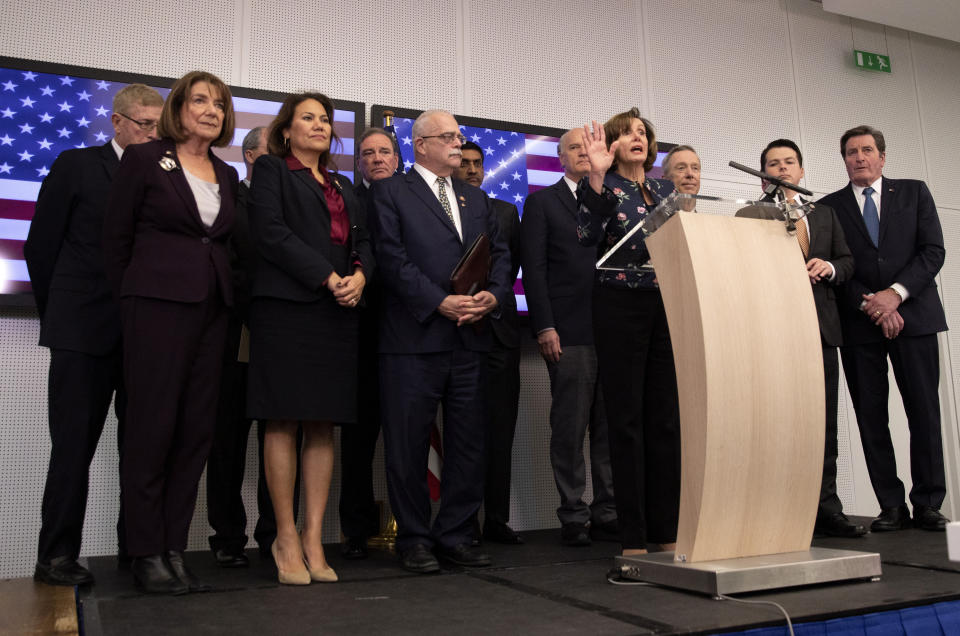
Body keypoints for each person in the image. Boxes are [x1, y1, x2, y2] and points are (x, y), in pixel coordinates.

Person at [103, 71, 238, 595]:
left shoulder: (226, 174)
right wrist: (136, 299)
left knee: (194, 433)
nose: (211, 109)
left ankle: (173, 547)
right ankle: (144, 551)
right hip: (155, 310)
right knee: (151, 428)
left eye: (220, 104)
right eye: (200, 100)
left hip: (212, 314)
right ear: (177, 108)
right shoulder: (143, 160)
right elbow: (115, 241)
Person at [25, 84, 163, 587]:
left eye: (158, 126)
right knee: (72, 449)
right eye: (144, 124)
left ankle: (138, 552)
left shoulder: (165, 178)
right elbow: (40, 247)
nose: (152, 134)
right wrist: (59, 314)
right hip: (81, 330)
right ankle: (56, 556)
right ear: (118, 122)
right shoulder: (76, 166)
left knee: (143, 450)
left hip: (144, 335)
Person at [370, 109, 511, 574]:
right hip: (413, 338)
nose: (458, 143)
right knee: (408, 445)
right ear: (422, 145)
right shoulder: (391, 192)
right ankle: (413, 538)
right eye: (447, 136)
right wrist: (438, 302)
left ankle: (455, 534)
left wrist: (494, 294)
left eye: (458, 135)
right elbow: (390, 258)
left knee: (468, 443)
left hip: (470, 337)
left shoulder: (477, 199)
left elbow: (502, 254)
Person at [247, 92, 373, 585]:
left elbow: (364, 242)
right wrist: (326, 276)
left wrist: (359, 276)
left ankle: (315, 537)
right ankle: (284, 536)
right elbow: (271, 233)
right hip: (287, 309)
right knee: (283, 421)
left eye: (325, 119)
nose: (319, 125)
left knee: (323, 426)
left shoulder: (344, 183)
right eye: (308, 118)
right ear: (286, 130)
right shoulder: (273, 171)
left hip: (338, 311)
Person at [820, 125, 949, 532]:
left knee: (924, 412)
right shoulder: (829, 208)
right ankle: (891, 505)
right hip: (860, 324)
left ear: (882, 157)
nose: (859, 157)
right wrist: (872, 304)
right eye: (851, 152)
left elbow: (933, 251)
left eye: (867, 150)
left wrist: (894, 294)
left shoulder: (913, 192)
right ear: (844, 159)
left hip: (916, 318)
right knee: (871, 417)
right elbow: (836, 267)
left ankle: (928, 502)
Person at [739, 139, 863, 537]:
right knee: (779, 422)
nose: (782, 169)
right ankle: (781, 511)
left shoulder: (824, 214)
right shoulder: (751, 215)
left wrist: (827, 266)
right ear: (762, 177)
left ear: (802, 170)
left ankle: (827, 509)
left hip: (822, 330)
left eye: (789, 162)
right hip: (776, 331)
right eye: (773, 164)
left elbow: (847, 262)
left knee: (824, 424)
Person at [576, 108, 680, 556]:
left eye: (643, 133)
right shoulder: (600, 186)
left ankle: (666, 531)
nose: (637, 138)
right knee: (627, 420)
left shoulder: (665, 190)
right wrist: (597, 178)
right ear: (611, 145)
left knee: (665, 419)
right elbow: (586, 235)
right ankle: (633, 535)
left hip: (668, 303)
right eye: (627, 133)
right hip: (618, 303)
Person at [205, 126, 298, 567]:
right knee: (227, 439)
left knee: (279, 436)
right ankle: (226, 536)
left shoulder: (293, 201)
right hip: (235, 330)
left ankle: (274, 534)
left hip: (284, 334)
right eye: (271, 155)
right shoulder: (228, 197)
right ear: (249, 158)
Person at [520, 128, 616, 547]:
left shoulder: (613, 200)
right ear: (559, 159)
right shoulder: (541, 202)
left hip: (613, 330)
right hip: (568, 330)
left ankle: (608, 512)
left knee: (609, 429)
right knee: (570, 426)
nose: (583, 152)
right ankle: (574, 514)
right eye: (574, 147)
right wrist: (544, 325)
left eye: (588, 146)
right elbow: (534, 271)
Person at [455, 141, 524, 545]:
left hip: (498, 331)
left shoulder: (505, 211)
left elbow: (509, 266)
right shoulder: (443, 210)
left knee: (501, 432)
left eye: (478, 164)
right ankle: (461, 523)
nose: (472, 170)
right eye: (464, 163)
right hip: (456, 330)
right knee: (463, 433)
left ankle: (496, 519)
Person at [339, 127, 399, 560]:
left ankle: (413, 527)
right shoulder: (346, 200)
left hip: (408, 334)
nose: (377, 159)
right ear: (358, 163)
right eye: (367, 153)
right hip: (357, 334)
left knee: (407, 438)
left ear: (397, 158)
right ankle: (356, 532)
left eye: (384, 152)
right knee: (358, 444)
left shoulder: (416, 199)